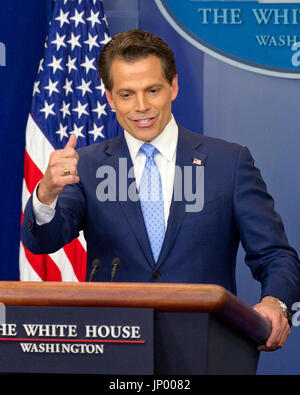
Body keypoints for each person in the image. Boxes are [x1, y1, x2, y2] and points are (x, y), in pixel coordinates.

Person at [21, 29, 300, 352]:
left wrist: (275, 302)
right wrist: (46, 193)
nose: (141, 106)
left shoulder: (230, 163)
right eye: (126, 94)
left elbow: (275, 255)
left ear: (174, 87)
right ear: (110, 98)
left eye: (152, 90)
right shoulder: (87, 165)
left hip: (209, 347)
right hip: (114, 349)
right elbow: (42, 241)